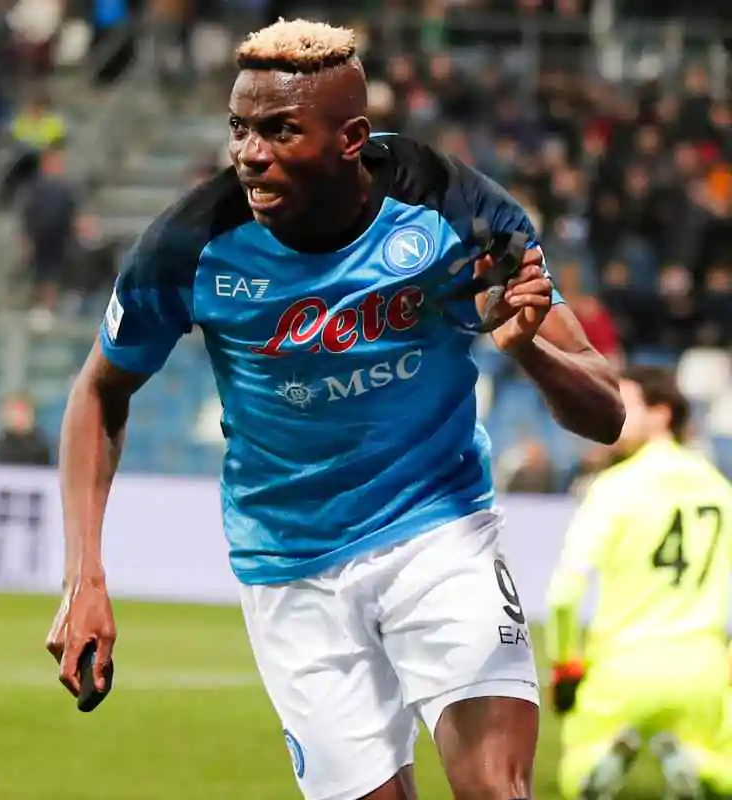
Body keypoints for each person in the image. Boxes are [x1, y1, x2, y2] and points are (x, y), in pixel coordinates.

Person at [46, 20, 625, 800]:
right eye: (240, 129)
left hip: (438, 531)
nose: (250, 153)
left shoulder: (455, 209)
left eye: (280, 130)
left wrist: (526, 349)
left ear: (352, 138)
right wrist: (83, 578)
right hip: (289, 567)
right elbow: (98, 392)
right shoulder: (189, 245)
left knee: (495, 786)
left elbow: (605, 413)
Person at [547, 367, 732, 800]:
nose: (613, 415)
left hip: (621, 668)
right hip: (701, 668)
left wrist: (565, 668)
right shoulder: (719, 488)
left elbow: (563, 594)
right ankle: (695, 766)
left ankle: (600, 764)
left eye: (625, 405)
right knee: (724, 766)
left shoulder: (614, 487)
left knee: (575, 768)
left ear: (662, 414)